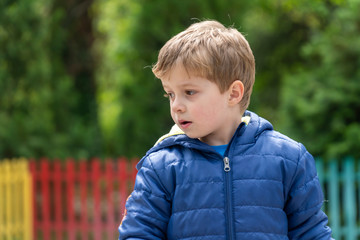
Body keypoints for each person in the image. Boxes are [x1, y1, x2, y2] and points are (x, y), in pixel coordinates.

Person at [118, 20, 333, 239]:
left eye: (189, 92)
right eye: (170, 94)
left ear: (233, 94)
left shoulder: (288, 159)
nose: (176, 105)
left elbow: (311, 232)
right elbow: (139, 233)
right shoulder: (162, 166)